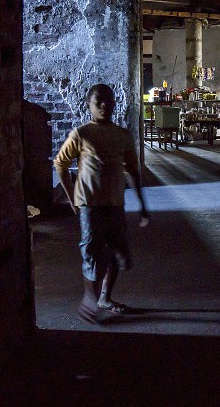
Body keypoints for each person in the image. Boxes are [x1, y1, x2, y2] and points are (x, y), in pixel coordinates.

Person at [54, 84, 149, 323]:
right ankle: (90, 296)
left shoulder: (122, 135)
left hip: (114, 203)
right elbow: (61, 164)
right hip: (90, 203)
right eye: (99, 102)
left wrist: (143, 205)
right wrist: (70, 197)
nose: (104, 105)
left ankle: (105, 297)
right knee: (92, 252)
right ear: (89, 106)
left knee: (117, 253)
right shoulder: (82, 134)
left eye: (108, 100)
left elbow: (132, 171)